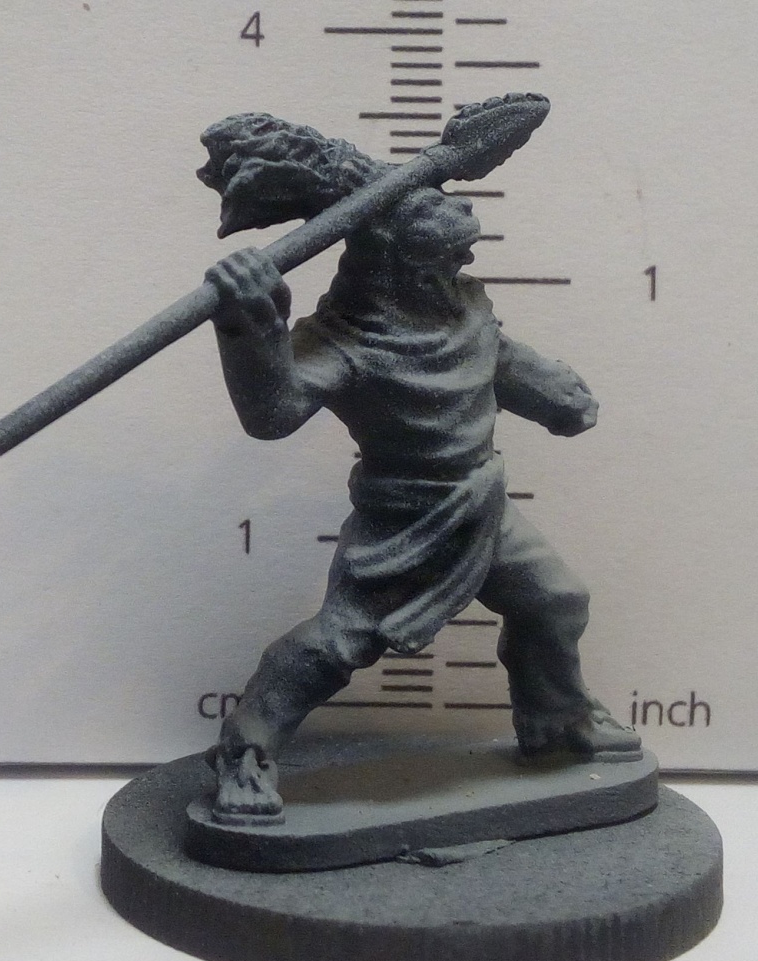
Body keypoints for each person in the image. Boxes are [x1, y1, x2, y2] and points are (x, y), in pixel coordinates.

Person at [197, 116, 641, 823]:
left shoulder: (461, 307)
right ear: (398, 255)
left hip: (482, 502)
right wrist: (251, 325)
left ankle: (557, 719)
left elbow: (500, 361)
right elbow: (273, 413)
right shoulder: (346, 340)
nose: (461, 229)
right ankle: (246, 750)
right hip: (403, 517)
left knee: (554, 600)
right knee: (337, 643)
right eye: (439, 226)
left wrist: (558, 397)